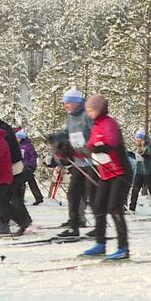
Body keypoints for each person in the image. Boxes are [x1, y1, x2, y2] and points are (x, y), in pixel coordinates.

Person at [80, 95, 132, 260]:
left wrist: (102, 147)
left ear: (101, 109)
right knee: (98, 206)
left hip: (119, 173)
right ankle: (100, 244)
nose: (89, 113)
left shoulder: (109, 123)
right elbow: (89, 148)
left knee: (115, 208)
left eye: (92, 110)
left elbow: (113, 143)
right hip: (105, 174)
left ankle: (123, 248)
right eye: (87, 111)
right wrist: (67, 150)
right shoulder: (96, 126)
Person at [49, 86, 95, 238]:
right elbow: (67, 134)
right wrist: (57, 140)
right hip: (78, 162)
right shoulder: (71, 117)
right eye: (64, 103)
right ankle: (73, 225)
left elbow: (96, 134)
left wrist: (89, 147)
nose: (65, 106)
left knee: (93, 195)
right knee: (73, 194)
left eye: (67, 103)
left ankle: (99, 227)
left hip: (92, 162)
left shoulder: (87, 115)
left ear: (76, 102)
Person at [0, 107, 32, 235]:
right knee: (4, 197)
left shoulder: (1, 130)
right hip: (8, 166)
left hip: (12, 166)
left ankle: (10, 222)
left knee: (5, 197)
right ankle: (12, 222)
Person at [129, 129, 151, 213]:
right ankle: (132, 208)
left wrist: (142, 153)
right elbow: (138, 157)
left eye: (140, 138)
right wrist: (131, 154)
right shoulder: (138, 147)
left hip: (148, 172)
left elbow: (149, 156)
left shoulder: (148, 146)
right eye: (137, 138)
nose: (138, 140)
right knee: (135, 190)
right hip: (139, 171)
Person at [16, 129, 44, 206]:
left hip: (28, 167)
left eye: (18, 138)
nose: (17, 139)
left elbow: (33, 155)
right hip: (21, 167)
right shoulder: (18, 146)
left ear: (22, 138)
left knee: (22, 181)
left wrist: (29, 164)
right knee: (31, 182)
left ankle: (20, 199)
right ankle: (38, 197)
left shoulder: (28, 146)